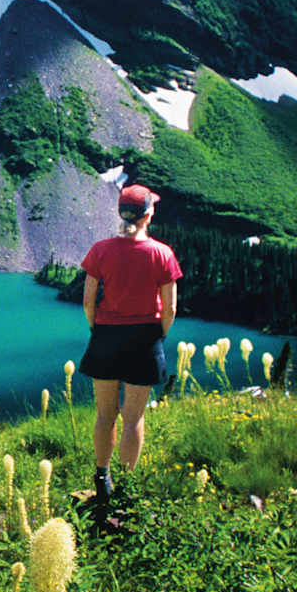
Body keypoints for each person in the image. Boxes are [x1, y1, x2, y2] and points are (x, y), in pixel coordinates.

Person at [78, 183, 182, 511]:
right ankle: (125, 486)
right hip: (145, 338)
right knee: (133, 418)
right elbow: (170, 309)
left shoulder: (101, 250)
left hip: (106, 336)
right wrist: (157, 336)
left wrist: (98, 329)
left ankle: (101, 478)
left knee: (104, 414)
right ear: (148, 215)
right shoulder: (162, 253)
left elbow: (87, 301)